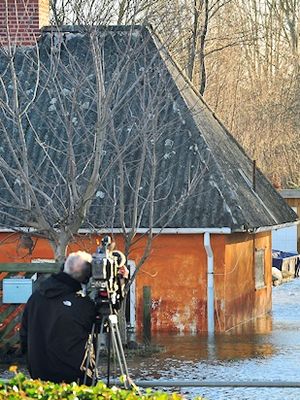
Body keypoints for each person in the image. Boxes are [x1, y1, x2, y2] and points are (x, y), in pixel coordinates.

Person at [20, 251, 96, 384]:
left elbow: (24, 336)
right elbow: (104, 325)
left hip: (39, 378)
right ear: (86, 277)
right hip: (75, 381)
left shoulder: (35, 298)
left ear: (63, 267)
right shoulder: (83, 305)